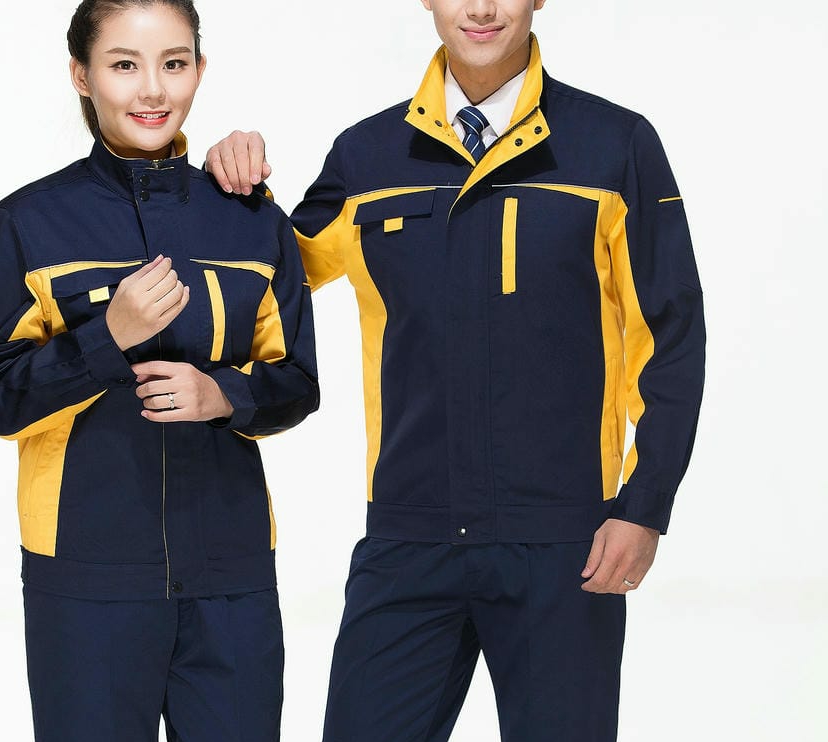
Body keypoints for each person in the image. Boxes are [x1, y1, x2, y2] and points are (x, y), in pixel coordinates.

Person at [207, 1, 705, 740]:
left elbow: (668, 336)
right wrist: (233, 190)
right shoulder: (368, 155)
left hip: (563, 542)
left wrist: (644, 504)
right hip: (410, 535)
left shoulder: (613, 145)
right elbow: (274, 280)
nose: (480, 8)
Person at [0, 1, 318, 740]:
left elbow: (297, 381)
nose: (153, 89)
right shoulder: (31, 222)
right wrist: (108, 337)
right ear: (82, 75)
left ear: (200, 69)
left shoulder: (253, 219)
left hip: (231, 576)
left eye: (174, 63)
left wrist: (220, 394)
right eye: (124, 64)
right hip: (86, 581)